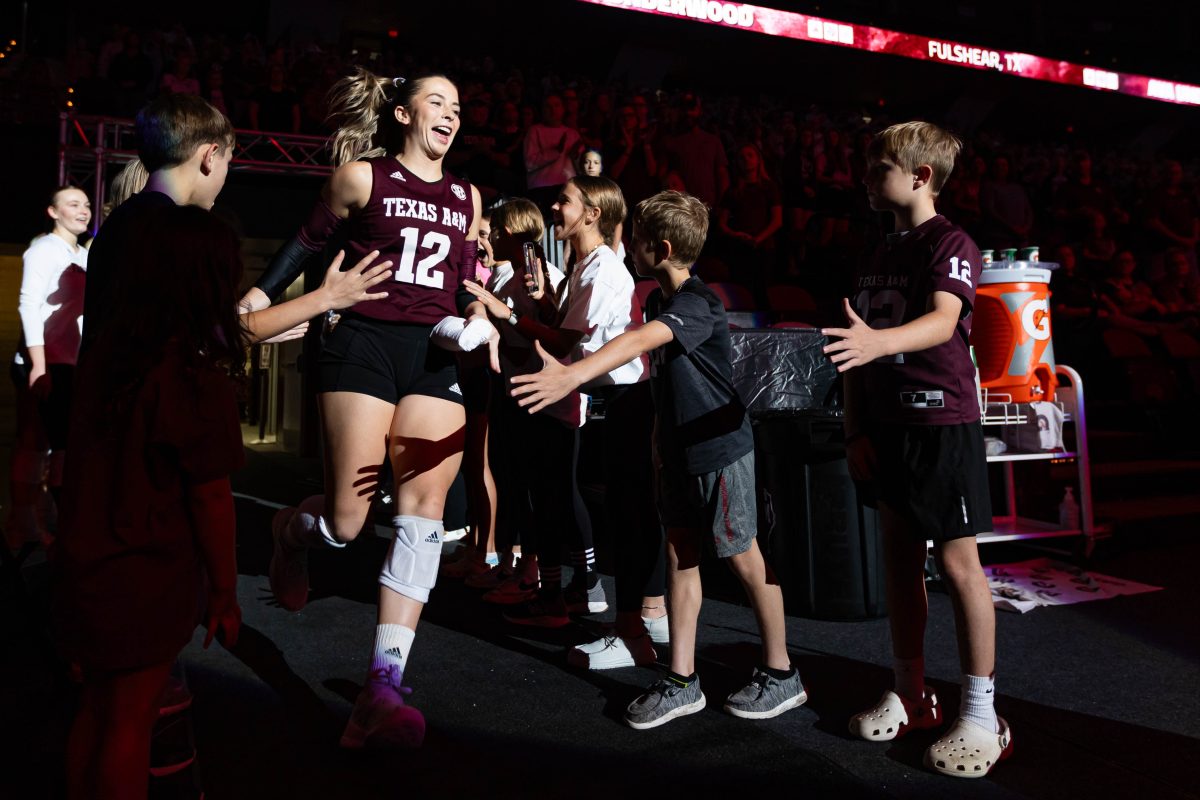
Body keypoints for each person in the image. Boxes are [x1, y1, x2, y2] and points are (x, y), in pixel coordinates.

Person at [255, 68, 492, 750]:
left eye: (457, 105)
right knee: (347, 522)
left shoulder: (467, 194)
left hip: (433, 354)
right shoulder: (362, 178)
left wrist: (484, 312)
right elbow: (303, 245)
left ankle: (381, 688)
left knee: (420, 516)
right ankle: (291, 533)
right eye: (437, 102)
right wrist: (261, 300)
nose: (451, 114)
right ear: (403, 114)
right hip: (362, 344)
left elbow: (465, 278)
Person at [510, 190, 803, 724]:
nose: (629, 249)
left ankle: (782, 674)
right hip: (678, 449)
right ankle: (682, 680)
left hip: (721, 449)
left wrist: (573, 375)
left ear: (661, 249)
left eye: (636, 242)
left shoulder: (696, 301)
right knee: (679, 558)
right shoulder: (658, 298)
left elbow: (645, 341)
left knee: (745, 559)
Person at [821, 121, 1011, 778]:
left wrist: (879, 342)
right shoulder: (874, 251)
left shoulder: (950, 241)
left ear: (920, 175)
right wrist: (854, 430)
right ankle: (912, 692)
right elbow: (854, 352)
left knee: (959, 569)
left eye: (878, 167)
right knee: (900, 564)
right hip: (885, 426)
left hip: (941, 425)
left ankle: (984, 713)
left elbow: (943, 319)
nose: (866, 178)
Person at [55, 205, 247, 800]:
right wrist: (223, 592)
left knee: (97, 710)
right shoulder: (192, 378)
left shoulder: (110, 360)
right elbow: (213, 499)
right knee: (131, 724)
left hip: (87, 564)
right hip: (146, 574)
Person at [83, 93, 388, 357]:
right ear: (209, 156)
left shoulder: (118, 225)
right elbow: (214, 334)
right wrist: (326, 297)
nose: (225, 176)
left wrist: (258, 326)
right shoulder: (186, 230)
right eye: (228, 162)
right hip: (156, 410)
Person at [9, 187, 92, 549]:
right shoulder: (43, 250)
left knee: (47, 444)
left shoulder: (83, 254)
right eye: (73, 204)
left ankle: (38, 521)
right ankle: (30, 523)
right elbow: (29, 305)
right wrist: (39, 366)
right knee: (42, 443)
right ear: (53, 211)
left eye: (86, 205)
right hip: (46, 361)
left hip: (68, 363)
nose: (83, 210)